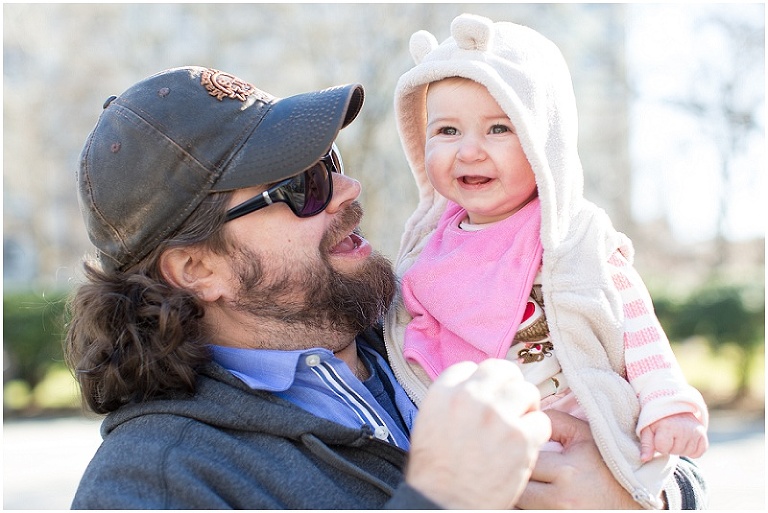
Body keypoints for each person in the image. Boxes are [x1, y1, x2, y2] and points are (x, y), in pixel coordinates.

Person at [64, 65, 706, 510]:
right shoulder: (155, 481)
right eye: (301, 189)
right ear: (198, 269)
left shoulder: (427, 326)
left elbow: (660, 452)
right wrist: (441, 498)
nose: (347, 193)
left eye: (329, 165)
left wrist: (643, 494)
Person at [383, 14, 709, 510]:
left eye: (498, 128)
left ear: (543, 142)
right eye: (446, 130)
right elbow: (411, 344)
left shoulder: (573, 237)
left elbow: (634, 327)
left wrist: (669, 404)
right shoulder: (424, 256)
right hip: (484, 455)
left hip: (587, 436)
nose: (469, 150)